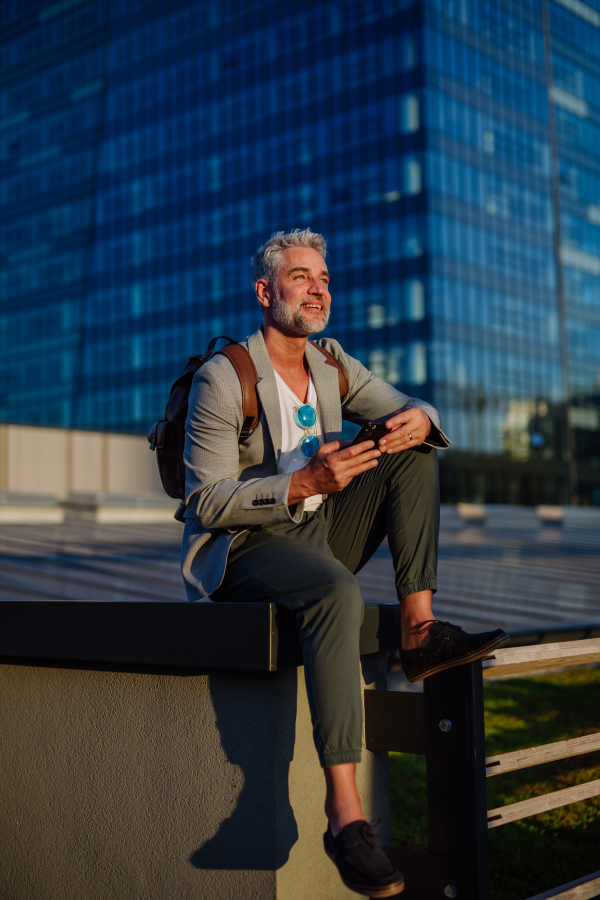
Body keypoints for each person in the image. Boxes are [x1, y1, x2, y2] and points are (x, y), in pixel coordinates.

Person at [181, 228, 508, 897]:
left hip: (322, 531)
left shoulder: (332, 365)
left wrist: (421, 417)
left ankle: (421, 631)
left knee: (412, 448)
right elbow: (205, 504)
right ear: (266, 291)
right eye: (302, 277)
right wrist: (303, 484)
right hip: (249, 548)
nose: (319, 288)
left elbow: (415, 412)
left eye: (325, 278)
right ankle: (346, 817)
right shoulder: (225, 378)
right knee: (335, 592)